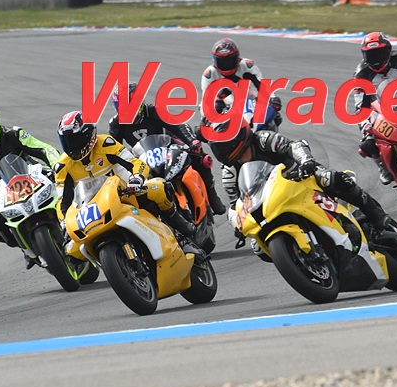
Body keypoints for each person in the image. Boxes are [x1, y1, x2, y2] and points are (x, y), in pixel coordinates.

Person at [54, 111, 204, 256]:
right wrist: (64, 223)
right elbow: (62, 201)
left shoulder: (105, 144)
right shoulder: (62, 166)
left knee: (158, 188)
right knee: (71, 249)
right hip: (92, 210)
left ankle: (182, 231)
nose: (71, 147)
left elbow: (135, 163)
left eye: (75, 140)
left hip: (127, 193)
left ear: (89, 134)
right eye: (66, 141)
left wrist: (137, 178)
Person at [208, 120, 392, 238]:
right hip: (270, 203)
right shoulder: (229, 173)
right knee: (258, 245)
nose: (221, 151)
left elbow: (293, 146)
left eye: (222, 145)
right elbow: (236, 204)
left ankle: (375, 213)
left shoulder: (263, 139)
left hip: (301, 179)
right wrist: (238, 223)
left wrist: (306, 161)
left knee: (330, 178)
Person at [0, 110, 62, 269]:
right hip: (5, 192)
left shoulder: (13, 134)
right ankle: (27, 246)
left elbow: (44, 149)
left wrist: (56, 166)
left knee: (66, 185)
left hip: (35, 175)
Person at [108, 82, 226, 215]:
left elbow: (178, 125)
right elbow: (114, 149)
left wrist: (192, 141)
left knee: (201, 158)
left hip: (168, 146)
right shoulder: (116, 124)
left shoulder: (154, 111)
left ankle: (212, 195)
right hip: (141, 157)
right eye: (122, 106)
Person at [353, 32, 397, 185]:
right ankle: (382, 166)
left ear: (388, 51)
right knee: (368, 142)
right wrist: (365, 125)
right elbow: (360, 105)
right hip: (380, 109)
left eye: (379, 53)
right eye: (371, 55)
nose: (376, 59)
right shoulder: (361, 74)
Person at [200, 38, 282, 125]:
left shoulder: (247, 65)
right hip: (224, 104)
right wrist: (210, 112)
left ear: (237, 57)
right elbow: (205, 101)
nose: (227, 64)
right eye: (222, 62)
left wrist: (273, 98)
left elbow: (262, 84)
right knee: (202, 126)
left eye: (230, 60)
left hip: (248, 99)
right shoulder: (209, 74)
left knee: (275, 115)